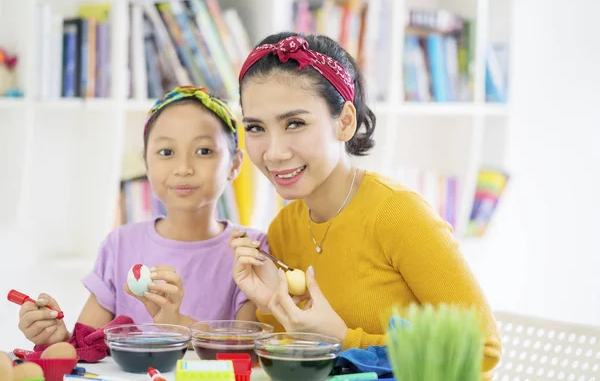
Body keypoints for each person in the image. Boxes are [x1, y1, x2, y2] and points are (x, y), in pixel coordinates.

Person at [230, 33, 502, 376]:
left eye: (295, 123)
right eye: (255, 128)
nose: (273, 152)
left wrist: (343, 338)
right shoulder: (284, 227)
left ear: (345, 121)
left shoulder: (398, 215)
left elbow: (483, 349)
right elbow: (307, 364)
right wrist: (270, 302)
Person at [17, 86, 268, 346]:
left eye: (204, 151)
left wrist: (177, 322)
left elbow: (247, 350)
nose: (183, 168)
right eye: (166, 152)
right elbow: (84, 346)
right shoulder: (120, 244)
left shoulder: (251, 250)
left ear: (235, 164)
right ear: (146, 163)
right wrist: (57, 338)